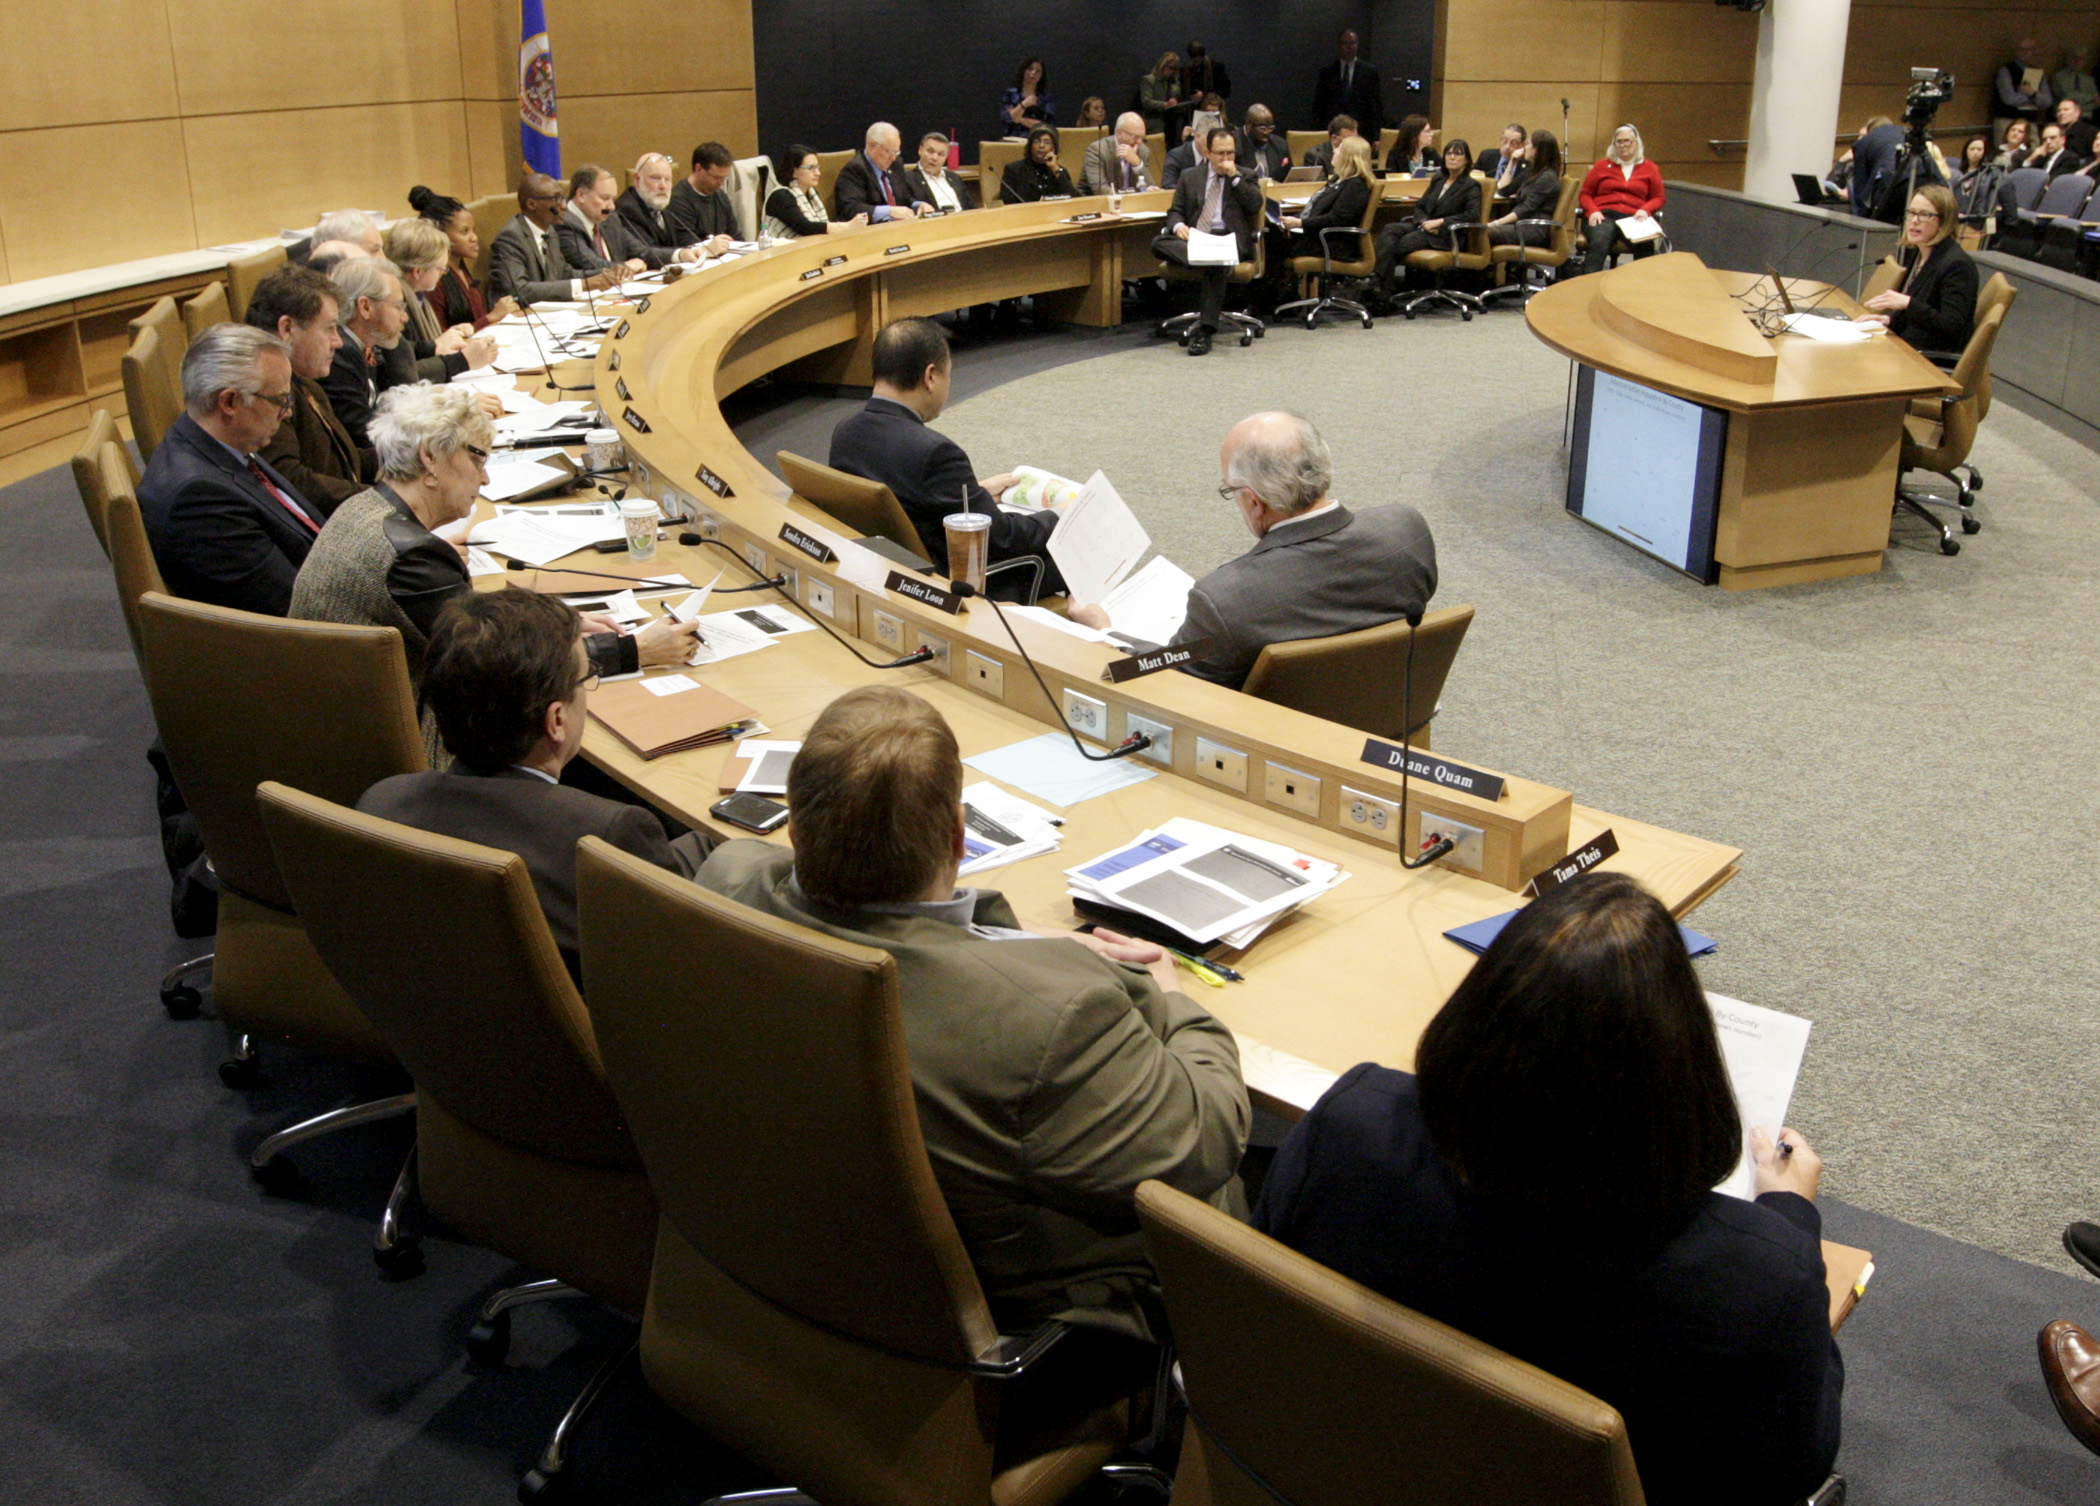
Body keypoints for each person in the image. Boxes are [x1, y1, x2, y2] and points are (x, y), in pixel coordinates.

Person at [1253, 870, 1842, 1506]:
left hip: (1330, 1470)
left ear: (1476, 1016)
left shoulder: (1350, 1125)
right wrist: (1789, 1215)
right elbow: (1794, 1468)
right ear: (1680, 1072)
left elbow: (1262, 1296)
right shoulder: (1757, 1280)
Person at [697, 684, 1250, 1340]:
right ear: (959, 835)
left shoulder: (722, 882)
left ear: (794, 827)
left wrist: (1012, 951)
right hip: (1006, 1328)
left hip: (776, 1258)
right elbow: (1205, 1139)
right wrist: (1174, 1000)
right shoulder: (1052, 1023)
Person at [288, 383, 693, 754]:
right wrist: (634, 649)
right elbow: (501, 667)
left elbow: (461, 619)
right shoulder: (412, 558)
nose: (484, 477)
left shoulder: (362, 509)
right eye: (477, 458)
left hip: (335, 738)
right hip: (405, 755)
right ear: (429, 456)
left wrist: (556, 624)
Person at [358, 588, 715, 976]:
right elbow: (683, 951)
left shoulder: (381, 802)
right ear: (556, 720)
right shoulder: (604, 834)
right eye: (587, 677)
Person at [1068, 412, 1435, 690]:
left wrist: (1105, 632)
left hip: (1279, 744)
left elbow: (1163, 673)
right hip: (1388, 709)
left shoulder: (1227, 599)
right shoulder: (1407, 529)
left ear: (1254, 502)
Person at [828, 317, 1061, 587]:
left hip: (881, 570)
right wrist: (1058, 518)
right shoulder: (935, 452)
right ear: (930, 377)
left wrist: (978, 494)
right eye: (948, 374)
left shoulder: (845, 432)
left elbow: (915, 499)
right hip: (953, 582)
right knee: (1070, 550)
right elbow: (1001, 538)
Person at [138, 323, 326, 617]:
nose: (288, 411)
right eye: (281, 400)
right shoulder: (200, 500)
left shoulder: (222, 444)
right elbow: (298, 609)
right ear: (229, 402)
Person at [245, 265, 373, 511]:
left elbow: (346, 460)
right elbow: (289, 481)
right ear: (287, 329)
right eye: (329, 328)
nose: (337, 341)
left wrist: (420, 457)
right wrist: (387, 500)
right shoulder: (262, 391)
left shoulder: (305, 382)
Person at [1152, 127, 1265, 357]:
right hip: (1196, 238)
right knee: (1159, 241)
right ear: (1209, 153)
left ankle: (1205, 330)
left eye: (1230, 154)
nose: (1226, 159)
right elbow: (1175, 212)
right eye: (1221, 153)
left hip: (1228, 240)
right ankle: (1206, 256)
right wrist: (1178, 226)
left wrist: (1234, 177)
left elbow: (1254, 205)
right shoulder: (1190, 176)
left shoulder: (1246, 175)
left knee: (1219, 259)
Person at [1858, 184, 1976, 354]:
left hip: (1927, 358)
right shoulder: (1920, 252)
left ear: (1944, 222)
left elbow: (1952, 326)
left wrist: (1908, 303)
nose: (1914, 221)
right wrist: (1889, 320)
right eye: (1912, 213)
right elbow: (1920, 312)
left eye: (1925, 215)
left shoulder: (1956, 265)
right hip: (1907, 344)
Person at [382, 218, 497, 387]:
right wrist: (461, 359)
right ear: (418, 271)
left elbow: (415, 348)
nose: (444, 274)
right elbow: (401, 371)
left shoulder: (418, 295)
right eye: (441, 269)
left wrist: (442, 341)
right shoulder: (394, 305)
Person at [487, 173, 622, 308]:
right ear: (531, 204)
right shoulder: (511, 237)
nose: (563, 205)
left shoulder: (550, 230)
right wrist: (583, 285)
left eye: (563, 198)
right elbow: (520, 290)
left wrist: (606, 272)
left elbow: (564, 272)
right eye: (556, 199)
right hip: (520, 316)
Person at [1374, 138, 1480, 295]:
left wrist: (1440, 223)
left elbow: (1472, 215)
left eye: (1458, 154)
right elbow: (1421, 205)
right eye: (1448, 153)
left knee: (1400, 244)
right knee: (1391, 229)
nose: (1452, 157)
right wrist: (1423, 222)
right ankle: (1379, 284)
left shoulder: (1470, 185)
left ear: (1467, 160)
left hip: (1446, 235)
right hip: (1425, 227)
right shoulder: (1438, 179)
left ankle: (1380, 288)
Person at [320, 257, 408, 447]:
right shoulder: (340, 353)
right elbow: (366, 434)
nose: (405, 317)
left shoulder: (365, 345)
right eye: (398, 306)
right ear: (365, 307)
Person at [409, 186, 517, 330]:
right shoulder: (433, 280)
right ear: (440, 235)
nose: (474, 238)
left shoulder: (461, 268)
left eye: (473, 230)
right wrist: (492, 317)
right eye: (464, 231)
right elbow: (440, 338)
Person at [1576, 123, 1666, 276]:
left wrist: (1645, 209)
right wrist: (1593, 211)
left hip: (1633, 217)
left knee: (1645, 245)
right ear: (1614, 144)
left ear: (1636, 143)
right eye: (1619, 141)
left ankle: (1639, 288)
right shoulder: (1602, 165)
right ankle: (1588, 285)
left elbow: (1658, 197)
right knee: (1599, 241)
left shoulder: (1650, 168)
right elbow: (1585, 194)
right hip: (1604, 215)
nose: (1623, 145)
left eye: (1627, 141)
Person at [1277, 136, 1374, 260]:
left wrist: (1300, 223)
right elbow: (1315, 208)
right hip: (1315, 236)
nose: (1334, 151)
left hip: (1329, 243)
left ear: (1348, 157)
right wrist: (1292, 221)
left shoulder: (1355, 185)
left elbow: (1335, 218)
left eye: (1339, 149)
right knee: (1271, 230)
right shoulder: (1337, 179)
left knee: (1271, 240)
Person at [557, 163, 650, 278]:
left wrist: (678, 254)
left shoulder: (610, 219)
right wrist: (627, 267)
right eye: (605, 198)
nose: (612, 206)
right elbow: (591, 265)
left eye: (612, 199)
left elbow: (641, 251)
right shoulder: (563, 223)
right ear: (581, 195)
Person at [614, 153, 704, 267]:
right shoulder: (627, 209)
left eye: (667, 179)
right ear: (637, 179)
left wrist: (702, 248)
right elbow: (648, 253)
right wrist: (681, 254)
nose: (663, 186)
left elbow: (681, 238)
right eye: (655, 178)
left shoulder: (663, 203)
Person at [764, 146, 870, 238]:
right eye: (811, 168)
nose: (818, 173)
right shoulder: (780, 196)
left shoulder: (811, 193)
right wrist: (847, 226)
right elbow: (805, 227)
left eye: (817, 167)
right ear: (794, 171)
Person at [1488, 129, 1564, 248]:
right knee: (1479, 231)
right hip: (1522, 225)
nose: (1524, 148)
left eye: (1528, 144)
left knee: (1484, 233)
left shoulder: (1547, 178)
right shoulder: (1533, 171)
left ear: (1536, 151)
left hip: (1535, 230)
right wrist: (1511, 163)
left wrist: (1495, 223)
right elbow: (1503, 190)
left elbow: (1525, 209)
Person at [834, 122, 921, 222]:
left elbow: (903, 198)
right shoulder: (855, 170)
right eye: (889, 152)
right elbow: (851, 208)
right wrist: (888, 211)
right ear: (872, 147)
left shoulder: (896, 164)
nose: (893, 157)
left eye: (896, 152)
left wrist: (917, 205)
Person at [1313, 30, 1382, 148]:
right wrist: (1317, 133)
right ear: (1339, 46)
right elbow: (1319, 105)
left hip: (1361, 131)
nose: (1349, 47)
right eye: (1345, 44)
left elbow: (1375, 106)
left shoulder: (1369, 71)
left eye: (1353, 43)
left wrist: (1376, 136)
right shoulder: (1327, 71)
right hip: (1333, 131)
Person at [667, 143, 740, 254]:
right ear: (699, 169)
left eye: (725, 178)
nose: (722, 183)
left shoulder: (721, 196)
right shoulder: (678, 199)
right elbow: (687, 243)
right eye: (717, 178)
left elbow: (735, 235)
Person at [1996, 37, 2054, 139]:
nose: (2024, 52)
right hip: (2008, 120)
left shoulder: (2037, 72)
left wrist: (2033, 94)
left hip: (2030, 121)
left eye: (2029, 49)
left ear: (2034, 51)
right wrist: (2032, 98)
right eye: (2021, 49)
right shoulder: (2006, 70)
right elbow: (2009, 99)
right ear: (2016, 50)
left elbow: (2047, 101)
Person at [1000, 125, 1077, 203]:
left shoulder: (1059, 171)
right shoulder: (1013, 170)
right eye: (1036, 141)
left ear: (1053, 147)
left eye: (1047, 142)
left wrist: (1055, 169)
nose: (1041, 146)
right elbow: (1007, 201)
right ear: (1030, 146)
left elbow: (1075, 200)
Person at [904, 132, 978, 213]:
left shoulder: (954, 178)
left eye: (941, 154)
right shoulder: (908, 179)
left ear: (946, 156)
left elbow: (972, 208)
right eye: (930, 151)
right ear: (920, 150)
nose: (934, 158)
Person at [1000, 55, 1055, 138]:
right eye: (1030, 69)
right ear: (1023, 70)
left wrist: (1020, 119)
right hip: (1013, 140)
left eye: (1038, 71)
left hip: (1037, 142)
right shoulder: (1010, 94)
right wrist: (1024, 104)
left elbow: (1046, 127)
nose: (1033, 73)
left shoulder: (1045, 98)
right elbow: (1008, 119)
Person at [1236, 104, 1291, 182]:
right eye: (1262, 128)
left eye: (1270, 128)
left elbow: (1289, 178)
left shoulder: (1280, 145)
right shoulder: (1233, 143)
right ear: (1248, 124)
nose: (1266, 132)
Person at [1139, 52, 1185, 141]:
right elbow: (1146, 101)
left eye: (1175, 69)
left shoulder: (1174, 83)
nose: (1171, 72)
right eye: (1170, 68)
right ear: (1163, 66)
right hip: (1154, 124)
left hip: (1171, 125)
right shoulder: (1149, 80)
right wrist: (1165, 105)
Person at [1480, 121, 1528, 191]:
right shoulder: (1487, 156)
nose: (1507, 146)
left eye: (1513, 143)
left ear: (1522, 145)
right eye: (1504, 141)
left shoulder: (1527, 165)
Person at [2054, 45, 2099, 118]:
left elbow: (2097, 102)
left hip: (2087, 117)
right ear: (2068, 58)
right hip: (2065, 116)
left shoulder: (2088, 79)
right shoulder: (2059, 77)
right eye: (2075, 57)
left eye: (2081, 58)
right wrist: (2091, 98)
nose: (2078, 61)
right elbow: (2069, 97)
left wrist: (2082, 105)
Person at [1183, 40, 1230, 105]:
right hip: (1192, 107)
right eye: (1193, 58)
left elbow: (1225, 91)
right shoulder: (1186, 70)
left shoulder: (1216, 67)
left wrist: (1204, 95)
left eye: (1198, 58)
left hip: (1212, 106)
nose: (1195, 61)